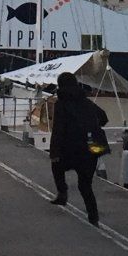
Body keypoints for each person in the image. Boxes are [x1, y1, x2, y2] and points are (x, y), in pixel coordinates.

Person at [47, 71, 107, 225]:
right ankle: (93, 217)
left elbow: (58, 129)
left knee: (57, 166)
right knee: (85, 185)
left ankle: (62, 193)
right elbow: (103, 117)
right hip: (91, 149)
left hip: (71, 149)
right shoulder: (86, 101)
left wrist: (54, 151)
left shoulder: (61, 104)